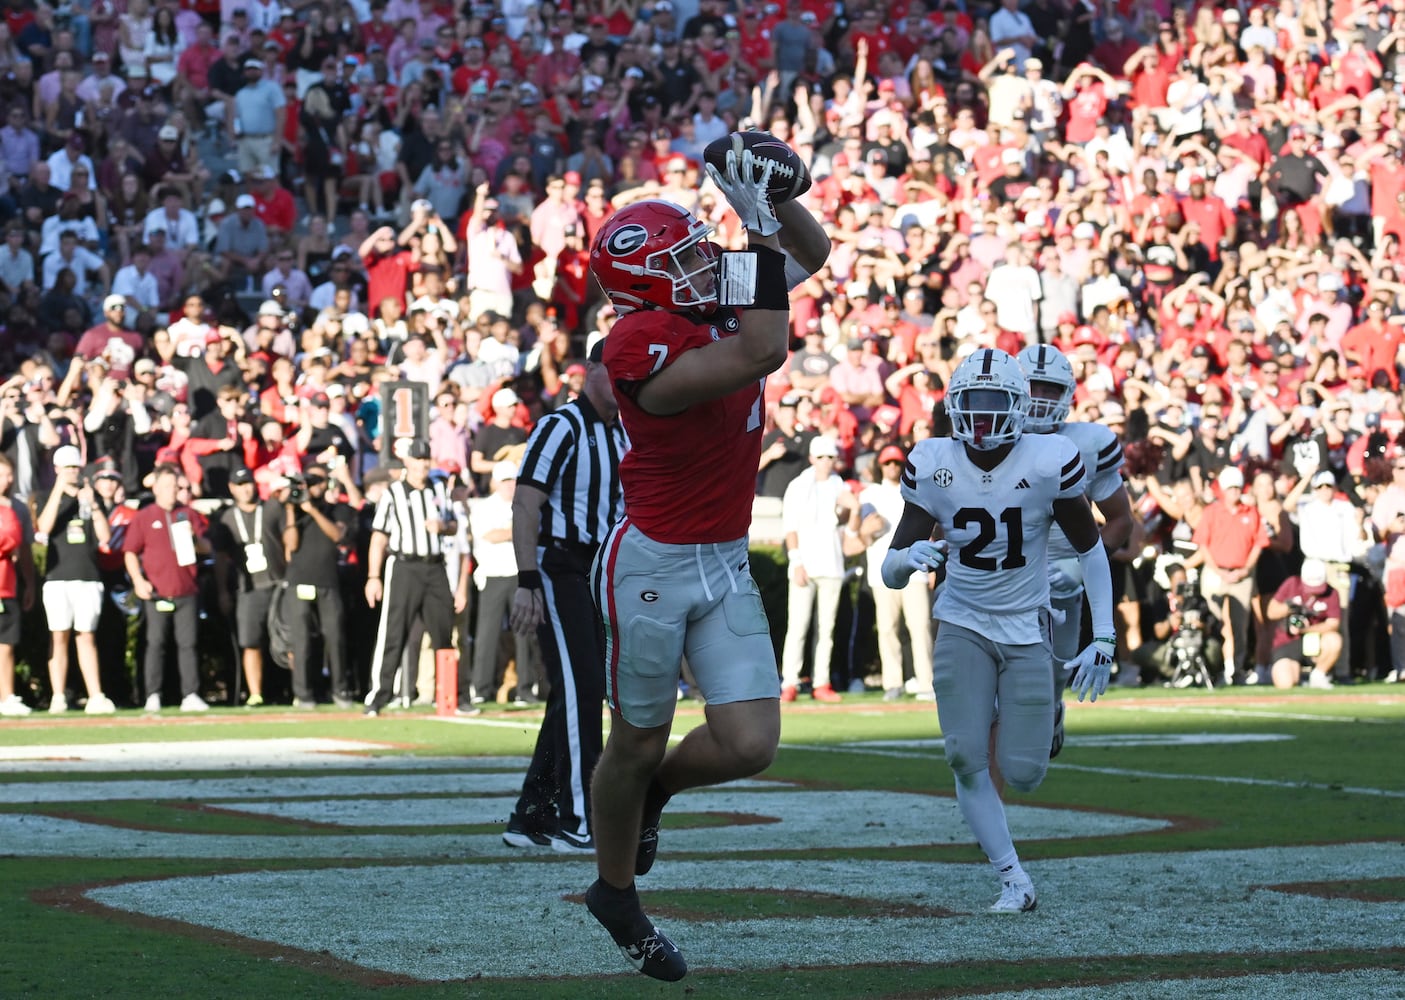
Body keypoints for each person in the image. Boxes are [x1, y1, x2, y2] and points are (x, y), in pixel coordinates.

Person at [582, 144, 829, 980]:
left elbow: (812, 254)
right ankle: (616, 892)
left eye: (701, 248)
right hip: (651, 562)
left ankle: (656, 797)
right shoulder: (636, 343)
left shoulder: (702, 297)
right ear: (643, 286)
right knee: (636, 741)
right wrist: (755, 228)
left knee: (751, 742)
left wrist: (773, 195)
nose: (702, 263)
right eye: (683, 258)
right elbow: (761, 349)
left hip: (721, 556)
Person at [880, 347, 1117, 914]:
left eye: (992, 405)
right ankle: (1013, 877)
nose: (980, 418)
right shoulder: (933, 460)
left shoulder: (1049, 458)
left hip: (1027, 625)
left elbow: (1092, 551)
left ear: (1017, 407)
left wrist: (1102, 637)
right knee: (965, 755)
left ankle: (1046, 707)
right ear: (953, 406)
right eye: (971, 405)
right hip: (961, 618)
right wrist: (908, 558)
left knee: (1025, 773)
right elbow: (889, 571)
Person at [503, 340, 627, 852]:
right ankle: (580, 818)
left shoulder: (624, 435)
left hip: (596, 572)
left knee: (574, 692)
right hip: (559, 565)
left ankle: (531, 815)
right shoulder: (561, 426)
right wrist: (527, 580)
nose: (622, 380)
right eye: (614, 369)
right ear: (589, 370)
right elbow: (526, 504)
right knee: (581, 690)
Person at [1016, 344, 1133, 750]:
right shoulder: (989, 436)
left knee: (1053, 671)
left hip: (1062, 572)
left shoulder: (1090, 442)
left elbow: (1120, 519)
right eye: (1034, 387)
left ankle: (1051, 711)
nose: (1041, 399)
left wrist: (1081, 567)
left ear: (1067, 395)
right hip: (1003, 571)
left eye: (1050, 389)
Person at [362, 441, 466, 716]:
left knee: (444, 631)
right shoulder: (393, 493)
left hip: (435, 567)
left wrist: (442, 526)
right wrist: (374, 576)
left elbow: (454, 525)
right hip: (404, 566)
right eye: (417, 459)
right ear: (406, 461)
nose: (422, 464)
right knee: (393, 633)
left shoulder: (439, 488)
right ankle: (379, 695)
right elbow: (379, 537)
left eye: (425, 459)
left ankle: (453, 695)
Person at [779, 434, 862, 702]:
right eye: (823, 457)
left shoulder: (838, 484)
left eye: (831, 457)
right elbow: (790, 527)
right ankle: (790, 681)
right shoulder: (798, 485)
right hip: (806, 564)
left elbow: (849, 522)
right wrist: (796, 561)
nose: (827, 462)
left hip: (832, 564)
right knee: (798, 626)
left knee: (826, 629)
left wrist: (853, 509)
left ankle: (821, 682)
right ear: (812, 458)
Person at [122, 463, 212, 712]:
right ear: (157, 489)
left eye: (176, 486)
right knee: (155, 643)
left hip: (186, 589)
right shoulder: (145, 516)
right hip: (157, 591)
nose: (173, 491)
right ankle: (152, 693)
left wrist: (194, 539)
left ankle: (191, 693)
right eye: (168, 486)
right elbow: (130, 552)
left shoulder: (189, 514)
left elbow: (207, 547)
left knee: (188, 643)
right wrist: (139, 581)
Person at [35, 445, 116, 714]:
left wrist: (92, 504)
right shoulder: (48, 496)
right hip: (58, 578)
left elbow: (105, 537)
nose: (71, 472)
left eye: (74, 467)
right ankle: (58, 695)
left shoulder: (90, 497)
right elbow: (43, 529)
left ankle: (95, 695)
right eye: (66, 467)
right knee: (58, 636)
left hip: (88, 576)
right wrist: (59, 490)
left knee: (86, 637)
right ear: (57, 469)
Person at [858, 443, 934, 701]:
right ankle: (893, 682)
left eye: (896, 463)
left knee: (919, 626)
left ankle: (926, 682)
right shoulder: (870, 494)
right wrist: (869, 526)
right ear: (880, 466)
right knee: (888, 628)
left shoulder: (916, 489)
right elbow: (863, 532)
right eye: (887, 463)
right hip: (881, 569)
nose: (892, 467)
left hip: (917, 570)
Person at [282, 461, 359, 708]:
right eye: (310, 482)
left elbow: (337, 536)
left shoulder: (336, 510)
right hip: (299, 581)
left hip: (327, 581)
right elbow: (291, 545)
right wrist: (293, 510)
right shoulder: (297, 512)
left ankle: (340, 690)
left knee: (335, 637)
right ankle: (303, 694)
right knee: (302, 639)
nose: (313, 487)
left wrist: (313, 510)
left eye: (318, 481)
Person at [1183, 466, 1265, 685]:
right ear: (1223, 490)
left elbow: (1259, 543)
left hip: (1242, 574)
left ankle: (1236, 670)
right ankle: (1214, 668)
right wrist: (1219, 571)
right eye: (1231, 488)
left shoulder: (1251, 512)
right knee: (1213, 622)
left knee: (1239, 626)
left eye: (1238, 488)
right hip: (1215, 572)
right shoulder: (1211, 512)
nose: (1235, 492)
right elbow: (1203, 545)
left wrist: (1246, 569)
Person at [211, 465, 286, 707]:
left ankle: (298, 690)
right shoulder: (227, 518)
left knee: (288, 639)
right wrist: (222, 591)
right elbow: (221, 558)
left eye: (248, 483)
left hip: (277, 583)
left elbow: (288, 541)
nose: (245, 489)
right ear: (232, 488)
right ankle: (255, 693)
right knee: (250, 641)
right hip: (248, 587)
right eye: (240, 485)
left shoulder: (272, 509)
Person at [467, 460, 535, 707]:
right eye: (506, 481)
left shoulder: (524, 505)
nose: (510, 486)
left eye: (513, 480)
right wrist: (513, 531)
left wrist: (509, 531)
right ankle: (481, 687)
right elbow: (489, 535)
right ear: (496, 482)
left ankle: (525, 688)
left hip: (519, 573)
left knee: (524, 633)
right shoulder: (484, 507)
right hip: (493, 573)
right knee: (487, 634)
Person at [1267, 558, 1342, 690]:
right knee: (1286, 684)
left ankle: (1318, 675)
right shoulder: (1292, 584)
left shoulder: (1331, 592)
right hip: (1287, 642)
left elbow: (1333, 624)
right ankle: (1299, 676)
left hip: (1314, 641)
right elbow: (1271, 612)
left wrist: (1307, 629)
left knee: (1334, 640)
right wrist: (1290, 608)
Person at [0, 455, 36, 717]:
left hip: (7, 584)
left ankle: (7, 695)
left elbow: (22, 548)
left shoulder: (17, 509)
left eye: (10, 475)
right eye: (2, 474)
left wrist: (30, 583)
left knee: (7, 644)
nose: (8, 480)